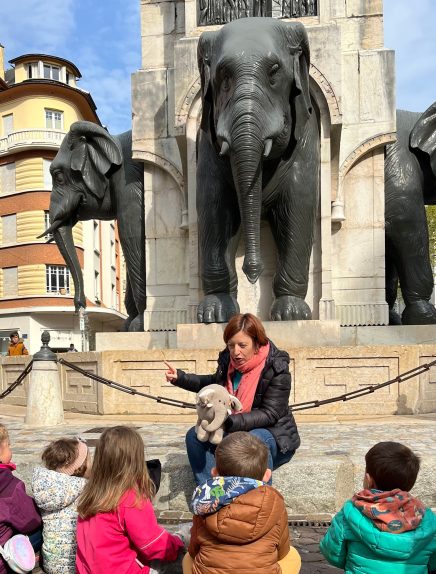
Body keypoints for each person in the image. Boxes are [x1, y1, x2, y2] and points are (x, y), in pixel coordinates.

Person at [165, 312, 299, 485]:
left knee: (255, 439)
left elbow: (270, 413)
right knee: (194, 436)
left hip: (274, 435)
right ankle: (213, 495)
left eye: (242, 345)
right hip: (231, 430)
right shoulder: (228, 363)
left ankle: (259, 502)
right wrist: (180, 378)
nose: (236, 352)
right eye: (231, 345)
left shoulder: (277, 367)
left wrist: (230, 422)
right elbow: (213, 384)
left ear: (257, 343)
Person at [182, 432, 301, 574]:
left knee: (188, 558)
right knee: (292, 555)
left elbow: (194, 550)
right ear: (267, 475)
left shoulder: (205, 502)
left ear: (214, 472)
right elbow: (282, 551)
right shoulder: (275, 502)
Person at [76, 426, 185, 574]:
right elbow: (152, 544)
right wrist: (178, 544)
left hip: (90, 569)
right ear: (136, 459)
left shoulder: (91, 492)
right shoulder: (131, 497)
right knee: (183, 552)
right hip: (125, 570)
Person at [320, 441, 436, 574]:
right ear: (411, 483)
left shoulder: (351, 511)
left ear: (368, 479)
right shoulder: (427, 517)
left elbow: (332, 552)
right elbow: (433, 561)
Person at [32, 437, 91, 574]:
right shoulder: (84, 489)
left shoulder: (45, 487)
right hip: (77, 564)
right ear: (79, 467)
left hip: (51, 562)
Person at [0, 424, 42, 574]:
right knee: (44, 528)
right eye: (8, 446)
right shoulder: (9, 485)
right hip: (2, 562)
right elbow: (31, 522)